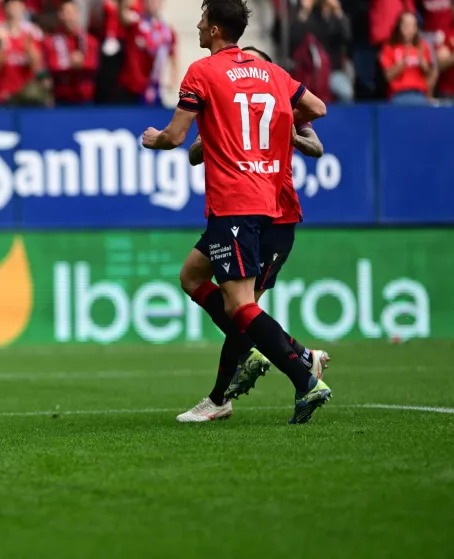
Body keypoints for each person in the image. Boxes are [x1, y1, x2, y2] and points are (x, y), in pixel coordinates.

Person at [141, 0, 332, 424]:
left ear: (213, 31)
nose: (197, 24)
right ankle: (285, 355)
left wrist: (153, 138)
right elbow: (317, 109)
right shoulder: (271, 73)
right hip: (263, 198)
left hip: (236, 200)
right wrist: (280, 117)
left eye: (202, 20)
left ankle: (301, 375)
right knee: (192, 276)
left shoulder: (202, 72)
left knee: (241, 305)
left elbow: (174, 137)